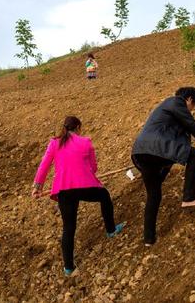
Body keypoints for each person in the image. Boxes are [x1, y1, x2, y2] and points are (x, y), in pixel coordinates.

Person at [32, 116, 126, 276]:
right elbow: (94, 168)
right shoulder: (86, 142)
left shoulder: (54, 143)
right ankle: (110, 230)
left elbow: (44, 164)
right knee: (104, 195)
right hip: (84, 186)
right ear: (78, 127)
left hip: (63, 189)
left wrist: (37, 186)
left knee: (69, 227)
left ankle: (69, 267)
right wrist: (85, 171)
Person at [131, 87, 195, 246]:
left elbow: (170, 156)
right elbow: (191, 124)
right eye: (194, 106)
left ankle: (149, 239)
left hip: (141, 152)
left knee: (154, 194)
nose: (192, 110)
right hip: (155, 148)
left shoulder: (165, 111)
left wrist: (160, 176)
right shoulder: (176, 102)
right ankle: (188, 199)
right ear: (189, 99)